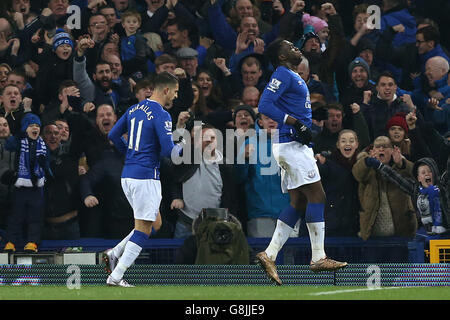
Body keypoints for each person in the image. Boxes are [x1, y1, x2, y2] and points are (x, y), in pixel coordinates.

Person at [255, 38, 347, 286]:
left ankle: (269, 254)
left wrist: (305, 118)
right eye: (289, 47)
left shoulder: (291, 75)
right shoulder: (283, 73)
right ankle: (318, 257)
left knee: (298, 202)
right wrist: (294, 122)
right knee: (318, 197)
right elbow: (264, 104)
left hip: (292, 145)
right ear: (282, 57)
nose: (295, 47)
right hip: (291, 144)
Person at [103, 72, 182, 287]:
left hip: (128, 175)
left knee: (154, 223)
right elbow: (169, 151)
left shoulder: (134, 109)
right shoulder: (162, 114)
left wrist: (129, 153)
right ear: (165, 90)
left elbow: (112, 136)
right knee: (144, 229)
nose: (175, 96)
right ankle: (116, 276)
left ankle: (115, 252)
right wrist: (185, 145)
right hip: (146, 176)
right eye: (174, 92)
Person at [352, 136, 418, 240]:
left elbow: (414, 174)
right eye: (378, 147)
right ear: (373, 150)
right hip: (372, 233)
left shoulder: (401, 165)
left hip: (401, 232)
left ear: (392, 151)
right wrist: (367, 162)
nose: (381, 149)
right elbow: (357, 173)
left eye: (385, 147)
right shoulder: (367, 168)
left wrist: (401, 164)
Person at [2, 113, 51, 253]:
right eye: (31, 126)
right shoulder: (19, 141)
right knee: (15, 216)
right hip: (21, 186)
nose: (35, 128)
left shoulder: (43, 144)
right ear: (25, 128)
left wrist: (44, 166)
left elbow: (46, 162)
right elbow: (9, 145)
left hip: (37, 188)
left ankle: (32, 242)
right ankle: (10, 242)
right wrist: (18, 134)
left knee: (35, 217)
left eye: (37, 126)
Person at [365, 155, 449, 235]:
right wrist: (380, 166)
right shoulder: (415, 190)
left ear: (434, 173)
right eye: (423, 172)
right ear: (419, 178)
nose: (427, 174)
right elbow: (396, 178)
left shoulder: (442, 188)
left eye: (430, 171)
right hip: (428, 234)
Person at [312, 129, 360, 236]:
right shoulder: (327, 164)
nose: (347, 144)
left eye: (351, 141)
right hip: (332, 224)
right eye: (343, 141)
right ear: (338, 145)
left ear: (357, 144)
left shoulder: (362, 165)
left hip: (355, 225)